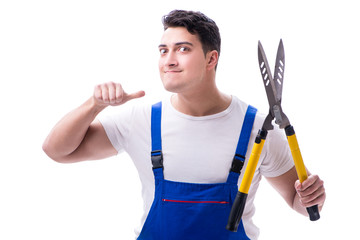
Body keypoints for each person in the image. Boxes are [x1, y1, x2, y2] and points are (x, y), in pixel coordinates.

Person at [43, 10, 326, 240]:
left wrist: (312, 196)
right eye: (163, 50)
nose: (169, 60)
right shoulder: (140, 120)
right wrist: (94, 105)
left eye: (182, 49)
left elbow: (300, 203)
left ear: (211, 58)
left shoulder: (256, 129)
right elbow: (57, 151)